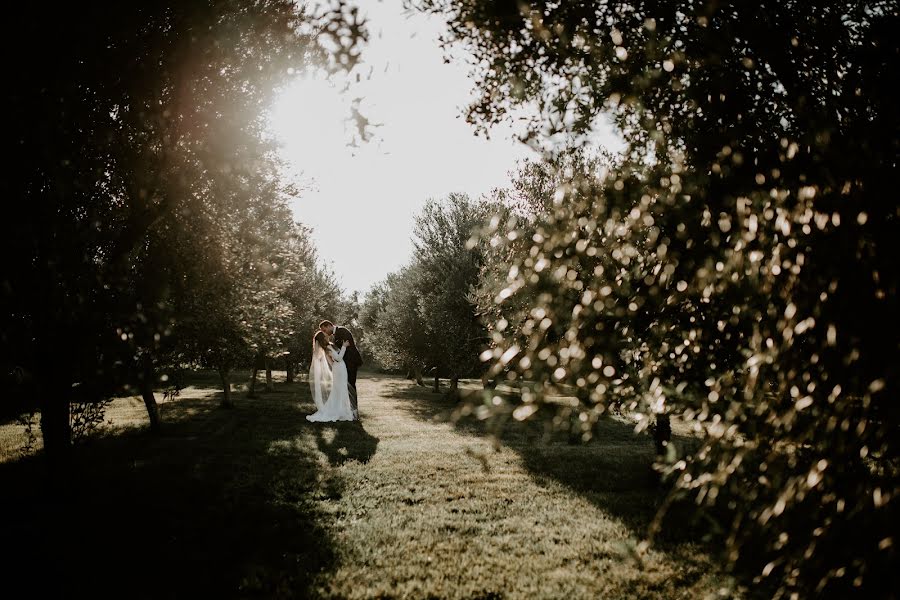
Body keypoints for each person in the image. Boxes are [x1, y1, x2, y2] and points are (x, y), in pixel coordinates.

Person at [306, 331, 355, 422]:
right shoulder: (327, 347)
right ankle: (341, 411)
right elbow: (339, 358)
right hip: (339, 368)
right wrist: (344, 346)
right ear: (322, 338)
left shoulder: (328, 346)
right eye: (325, 335)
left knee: (340, 389)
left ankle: (342, 409)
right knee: (341, 389)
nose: (327, 335)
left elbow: (331, 361)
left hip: (339, 368)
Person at [318, 320, 363, 420]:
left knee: (351, 385)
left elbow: (346, 347)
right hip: (343, 364)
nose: (325, 332)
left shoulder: (342, 331)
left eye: (325, 330)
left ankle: (354, 412)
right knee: (346, 387)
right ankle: (348, 410)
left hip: (351, 362)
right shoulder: (333, 336)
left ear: (329, 325)